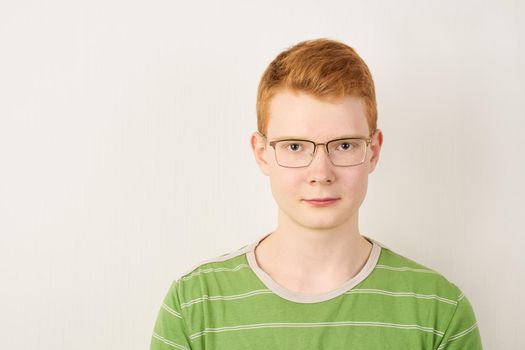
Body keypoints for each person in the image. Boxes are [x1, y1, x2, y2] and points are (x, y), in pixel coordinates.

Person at [149, 38, 483, 350]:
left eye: (344, 145)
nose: (320, 174)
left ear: (374, 151)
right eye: (295, 146)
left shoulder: (440, 311)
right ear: (262, 153)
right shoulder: (193, 305)